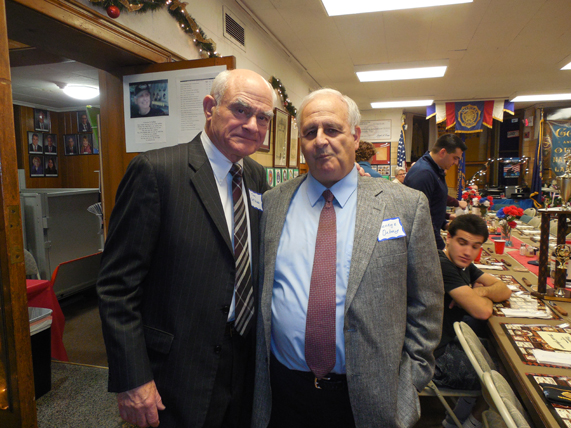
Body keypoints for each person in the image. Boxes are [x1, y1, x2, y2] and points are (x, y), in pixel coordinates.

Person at [252, 88, 444, 428]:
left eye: (332, 129)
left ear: (355, 136)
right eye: (310, 132)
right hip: (283, 393)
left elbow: (426, 303)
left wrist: (410, 381)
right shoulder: (274, 203)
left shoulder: (405, 205)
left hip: (371, 397)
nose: (320, 140)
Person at [97, 69, 277, 428]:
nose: (252, 125)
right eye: (241, 110)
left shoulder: (256, 176)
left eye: (263, 118)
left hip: (242, 361)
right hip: (176, 370)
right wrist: (132, 378)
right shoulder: (156, 171)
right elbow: (117, 288)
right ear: (210, 107)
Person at [435, 214, 511, 428]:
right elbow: (483, 311)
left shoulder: (462, 264)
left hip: (446, 341)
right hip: (432, 358)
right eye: (462, 243)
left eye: (475, 246)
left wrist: (478, 291)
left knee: (497, 354)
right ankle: (470, 423)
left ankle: (455, 419)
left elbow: (504, 289)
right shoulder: (442, 264)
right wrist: (481, 297)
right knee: (504, 375)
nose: (468, 252)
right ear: (448, 238)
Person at [404, 133, 467, 250]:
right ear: (442, 152)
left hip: (428, 238)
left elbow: (433, 204)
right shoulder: (424, 174)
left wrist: (445, 224)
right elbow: (421, 218)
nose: (456, 163)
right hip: (421, 244)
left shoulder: (434, 170)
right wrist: (441, 248)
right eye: (455, 158)